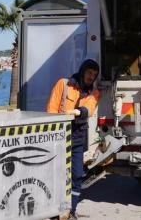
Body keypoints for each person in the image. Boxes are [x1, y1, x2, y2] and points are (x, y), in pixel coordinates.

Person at [46, 59, 100, 220]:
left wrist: (75, 112)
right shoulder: (63, 84)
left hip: (77, 137)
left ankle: (71, 210)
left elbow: (88, 110)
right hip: (59, 136)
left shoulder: (94, 92)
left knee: (77, 175)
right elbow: (51, 110)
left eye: (94, 75)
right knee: (57, 175)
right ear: (83, 70)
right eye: (89, 73)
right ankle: (54, 210)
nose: (91, 77)